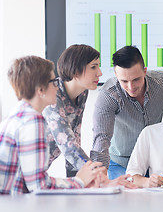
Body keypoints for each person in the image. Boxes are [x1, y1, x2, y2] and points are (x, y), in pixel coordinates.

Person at [0, 56, 105, 194]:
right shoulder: (32, 120)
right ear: (40, 90)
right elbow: (39, 186)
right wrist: (79, 181)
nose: (57, 86)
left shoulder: (17, 114)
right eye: (53, 82)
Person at [90, 46, 163, 179]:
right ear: (116, 74)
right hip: (121, 162)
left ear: (144, 71)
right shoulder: (108, 95)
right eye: (124, 81)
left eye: (136, 79)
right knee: (123, 196)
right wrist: (98, 177)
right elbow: (101, 138)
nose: (131, 87)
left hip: (156, 161)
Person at [43, 44, 102, 177]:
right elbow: (67, 144)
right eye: (93, 67)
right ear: (75, 71)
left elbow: (75, 137)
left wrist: (77, 181)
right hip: (14, 170)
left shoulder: (82, 93)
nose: (99, 73)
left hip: (37, 171)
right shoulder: (52, 94)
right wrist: (94, 173)